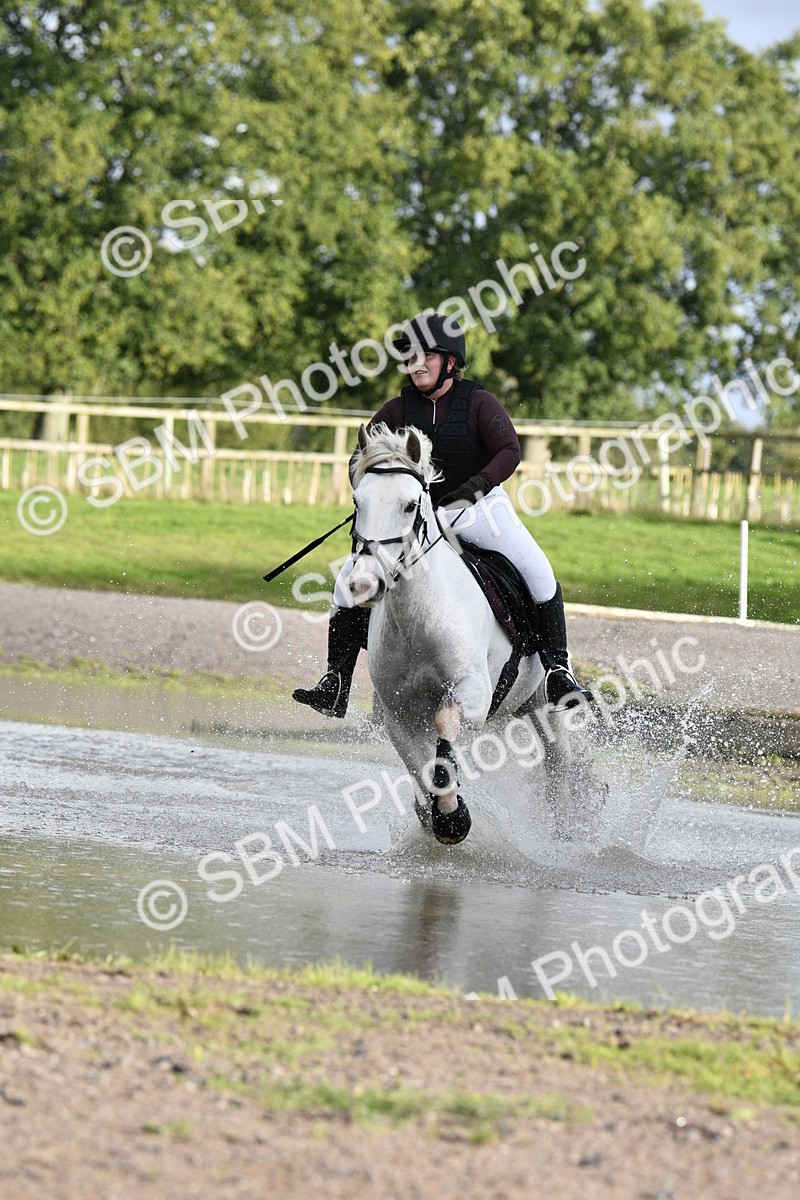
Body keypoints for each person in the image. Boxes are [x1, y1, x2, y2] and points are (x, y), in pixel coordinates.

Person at [293, 313, 591, 718]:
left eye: (425, 357)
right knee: (349, 581)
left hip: (479, 511)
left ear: (450, 362)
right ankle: (336, 681)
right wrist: (376, 494)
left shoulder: (479, 403)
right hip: (414, 520)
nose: (416, 365)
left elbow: (509, 451)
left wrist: (475, 487)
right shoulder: (397, 410)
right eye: (410, 358)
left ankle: (557, 671)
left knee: (538, 572)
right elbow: (357, 459)